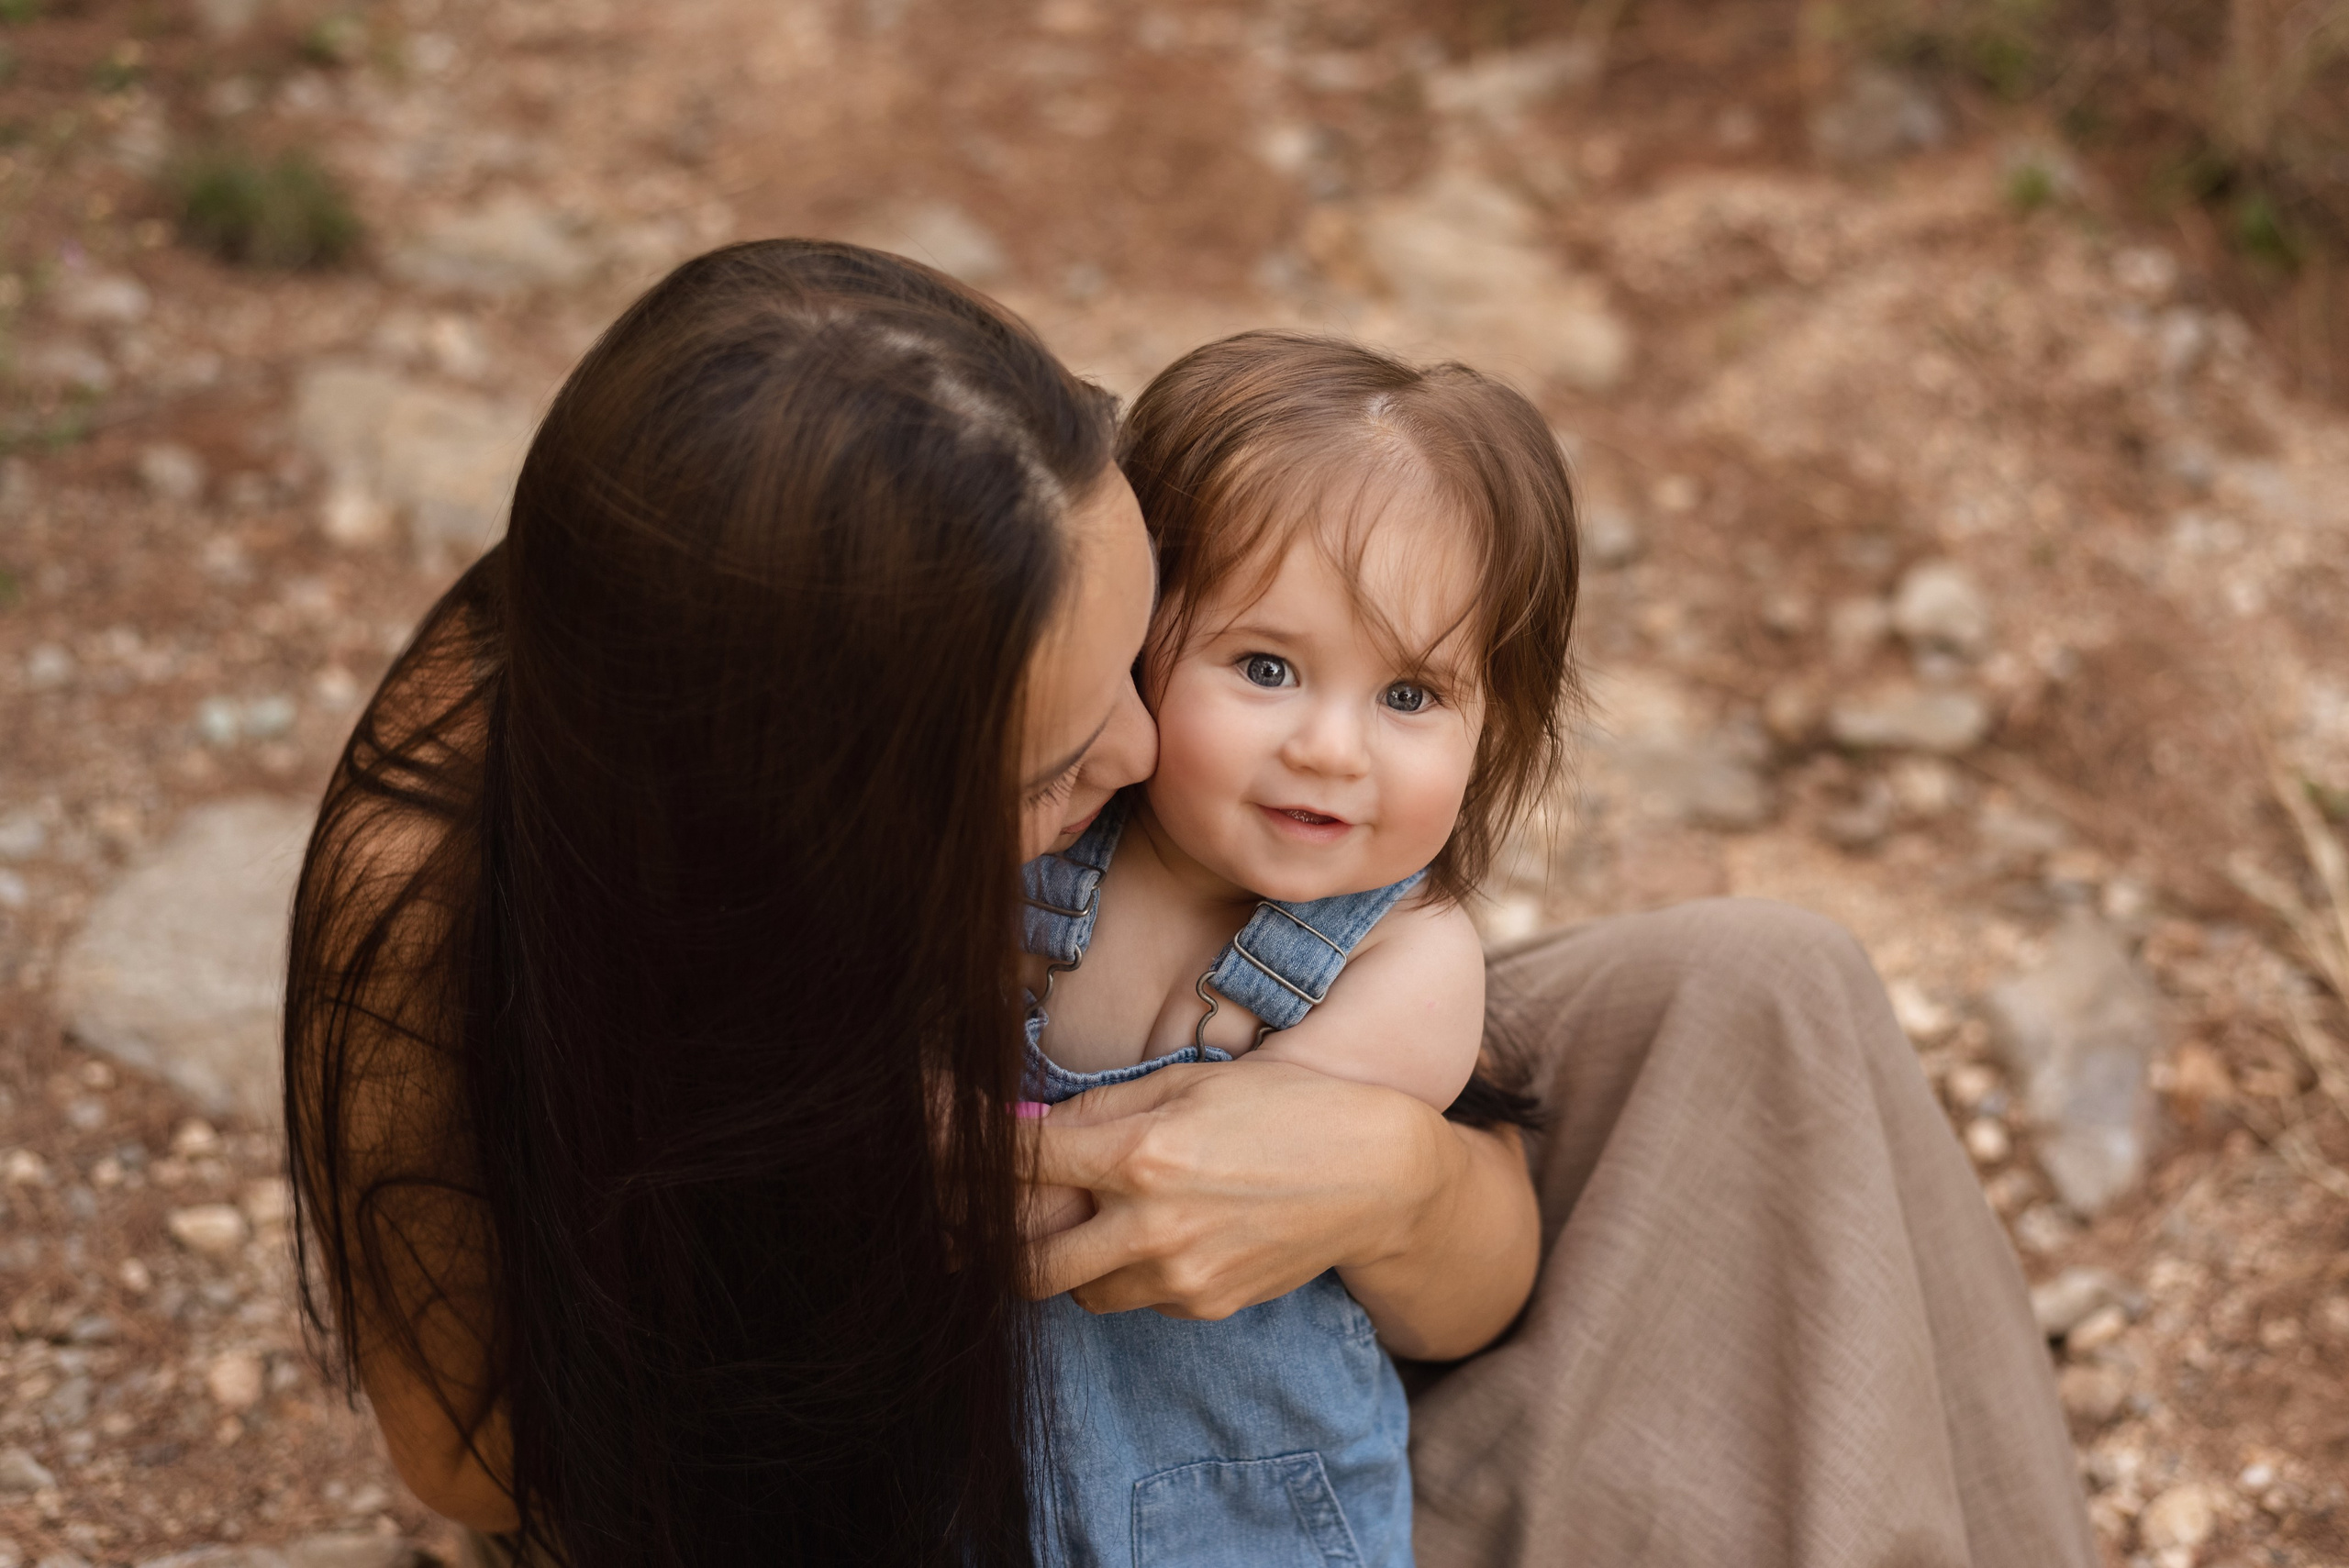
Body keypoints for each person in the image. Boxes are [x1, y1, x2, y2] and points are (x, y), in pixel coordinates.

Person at [284, 238, 2098, 1566]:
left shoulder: (988, 514)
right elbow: (498, 1473)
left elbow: (1454, 1262)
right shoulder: (470, 922)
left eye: (1147, 658)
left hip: (1295, 1451)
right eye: (1061, 766)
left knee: (1765, 987)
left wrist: (1376, 1174)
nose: (1151, 759)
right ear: (813, 824)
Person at [1017, 332, 1575, 1565]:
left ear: (1498, 725)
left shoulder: (1409, 958)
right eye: (1266, 666)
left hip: (1243, 1525)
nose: (1333, 748)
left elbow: (1206, 1167)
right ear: (1139, 638)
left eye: (1412, 695)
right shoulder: (1035, 845)